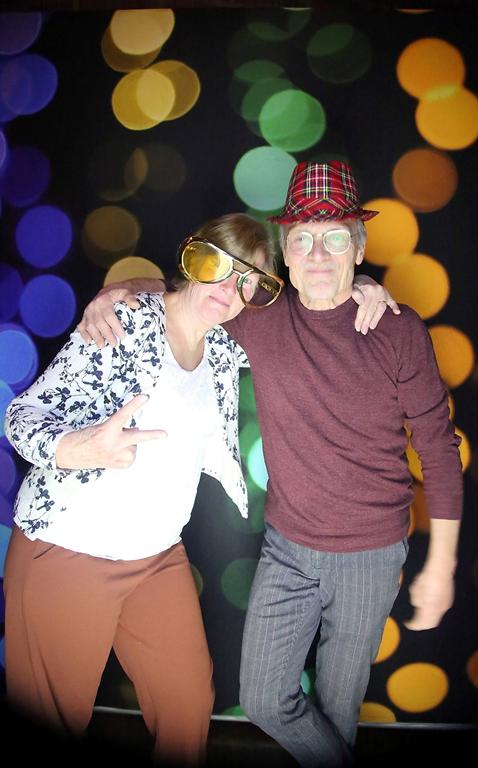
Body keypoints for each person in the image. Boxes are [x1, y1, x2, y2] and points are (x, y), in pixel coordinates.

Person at [80, 161, 463, 768]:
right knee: (263, 699)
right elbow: (187, 295)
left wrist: (441, 564)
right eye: (303, 239)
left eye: (335, 237)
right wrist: (117, 292)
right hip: (288, 549)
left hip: (371, 555)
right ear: (284, 251)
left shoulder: (397, 330)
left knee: (337, 709)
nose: (318, 254)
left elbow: (439, 449)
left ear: (359, 248)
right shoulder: (258, 317)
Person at [2, 212, 286, 767]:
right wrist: (76, 448)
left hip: (156, 558)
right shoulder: (124, 323)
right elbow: (22, 415)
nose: (230, 289)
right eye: (221, 267)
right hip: (68, 550)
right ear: (195, 259)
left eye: (248, 281)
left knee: (187, 705)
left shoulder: (224, 349)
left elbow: (312, 323)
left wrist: (362, 287)